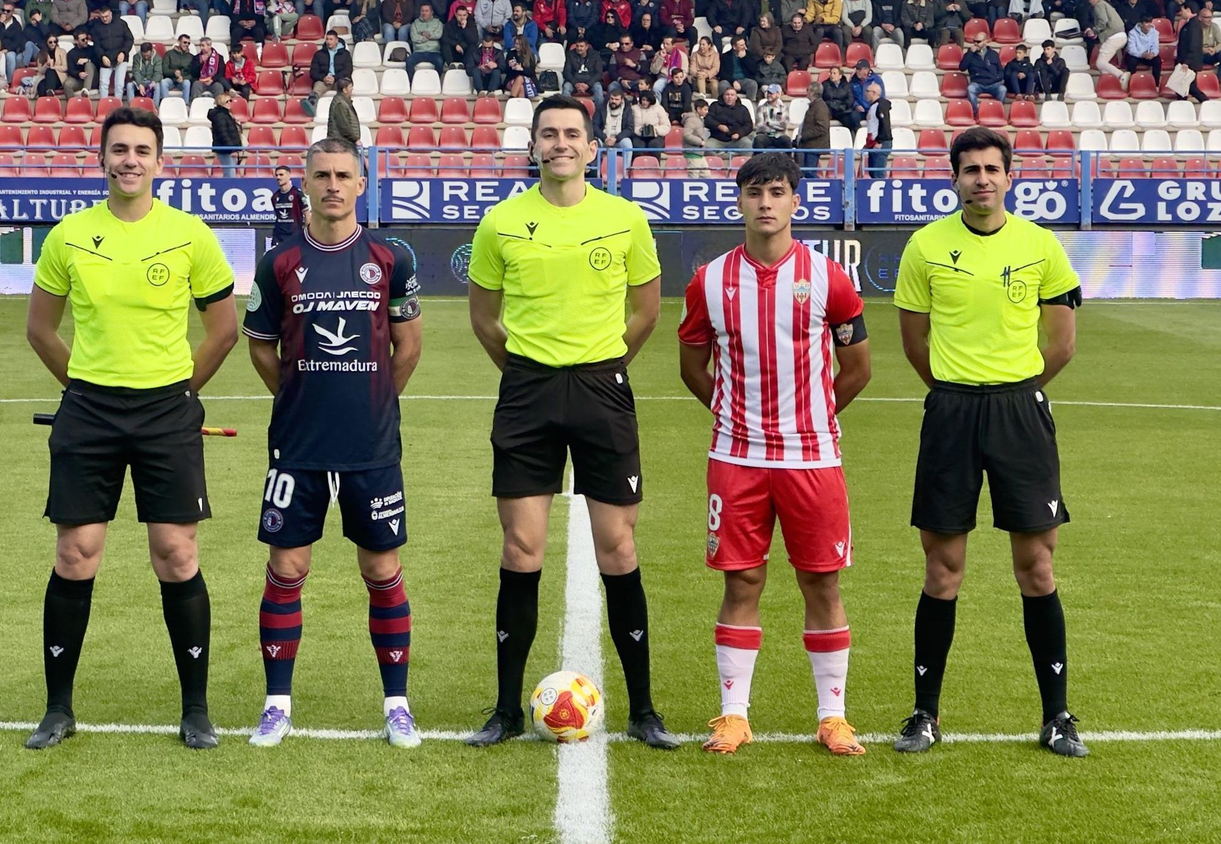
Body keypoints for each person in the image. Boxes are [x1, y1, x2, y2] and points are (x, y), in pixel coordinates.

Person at [23, 107, 240, 752]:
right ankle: (57, 709)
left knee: (176, 556)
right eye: (119, 149)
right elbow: (40, 329)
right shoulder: (67, 236)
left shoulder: (191, 235)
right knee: (75, 553)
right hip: (88, 411)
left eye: (142, 150)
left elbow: (223, 330)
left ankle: (195, 709)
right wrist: (85, 387)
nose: (130, 161)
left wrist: (177, 393)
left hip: (167, 412)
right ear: (103, 157)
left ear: (160, 161)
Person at [464, 94, 675, 750]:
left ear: (591, 147)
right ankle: (502, 708)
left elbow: (645, 310)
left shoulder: (625, 218)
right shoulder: (500, 223)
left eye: (571, 134)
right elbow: (483, 315)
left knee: (618, 547)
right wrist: (528, 371)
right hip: (527, 392)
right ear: (533, 146)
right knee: (521, 548)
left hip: (600, 388)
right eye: (548, 134)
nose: (560, 143)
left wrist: (603, 365)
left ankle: (644, 709)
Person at [891, 126, 1085, 759]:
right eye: (969, 169)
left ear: (1010, 176)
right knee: (942, 568)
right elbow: (915, 343)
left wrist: (1012, 388)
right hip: (950, 412)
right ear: (954, 178)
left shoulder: (1040, 246)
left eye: (991, 169)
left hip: (1018, 414)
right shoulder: (924, 247)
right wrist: (957, 390)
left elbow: (1060, 343)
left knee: (1036, 566)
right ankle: (924, 713)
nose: (980, 179)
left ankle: (1057, 716)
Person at [676, 150, 871, 757]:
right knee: (743, 580)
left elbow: (858, 366)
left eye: (777, 191)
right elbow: (691, 362)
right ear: (740, 200)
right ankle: (734, 715)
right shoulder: (709, 281)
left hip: (813, 460)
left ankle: (832, 717)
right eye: (755, 192)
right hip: (736, 458)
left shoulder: (828, 276)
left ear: (795, 201)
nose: (766, 202)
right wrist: (733, 414)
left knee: (821, 582)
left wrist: (813, 419)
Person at [241, 136, 424, 747]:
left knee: (382, 568)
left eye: (344, 175)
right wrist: (295, 392)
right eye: (321, 174)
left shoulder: (391, 256)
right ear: (307, 181)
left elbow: (409, 346)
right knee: (287, 566)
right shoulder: (278, 261)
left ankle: (397, 705)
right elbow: (261, 346)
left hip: (372, 446)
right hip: (298, 445)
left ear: (361, 182)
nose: (332, 185)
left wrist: (374, 401)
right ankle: (277, 704)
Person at [960, 34, 1006, 111]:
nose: (975, 44)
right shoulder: (970, 54)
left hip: (993, 83)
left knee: (1002, 89)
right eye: (974, 41)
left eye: (978, 41)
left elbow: (1000, 71)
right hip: (977, 83)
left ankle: (997, 112)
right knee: (970, 89)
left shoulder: (993, 54)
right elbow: (962, 68)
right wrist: (970, 53)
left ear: (985, 42)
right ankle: (975, 113)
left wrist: (997, 78)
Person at [207, 89, 241, 176]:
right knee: (229, 173)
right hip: (225, 150)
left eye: (231, 100)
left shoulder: (226, 114)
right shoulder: (220, 116)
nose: (230, 103)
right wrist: (232, 149)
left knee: (231, 172)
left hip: (228, 149)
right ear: (221, 102)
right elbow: (223, 134)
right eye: (227, 101)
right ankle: (228, 188)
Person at [268, 164, 305, 245]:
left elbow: (307, 215)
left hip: (294, 236)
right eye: (276, 175)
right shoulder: (274, 197)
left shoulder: (297, 194)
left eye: (281, 175)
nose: (278, 177)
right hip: (278, 237)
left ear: (289, 176)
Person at [862, 82, 891, 176]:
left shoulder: (880, 105)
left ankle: (883, 190)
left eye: (867, 91)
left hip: (880, 143)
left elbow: (884, 124)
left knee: (878, 173)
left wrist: (879, 141)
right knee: (873, 172)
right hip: (873, 142)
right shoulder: (874, 106)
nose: (865, 93)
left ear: (874, 93)